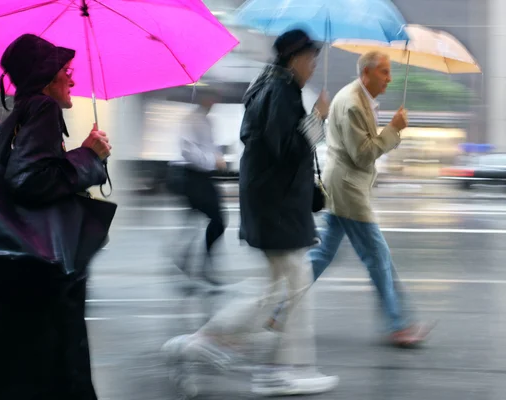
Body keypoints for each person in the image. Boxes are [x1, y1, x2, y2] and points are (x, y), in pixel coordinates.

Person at [162, 29, 338, 396]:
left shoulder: (268, 87)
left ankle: (219, 350)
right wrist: (318, 118)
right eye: (311, 59)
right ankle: (281, 369)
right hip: (276, 206)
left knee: (278, 290)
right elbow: (285, 150)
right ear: (295, 59)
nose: (314, 66)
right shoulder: (280, 92)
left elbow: (281, 148)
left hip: (272, 205)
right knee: (293, 283)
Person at [0, 34, 111, 400]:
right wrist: (89, 156)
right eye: (67, 71)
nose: (73, 80)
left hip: (4, 283)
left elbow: (20, 181)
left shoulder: (12, 121)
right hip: (35, 288)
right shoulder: (43, 110)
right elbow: (31, 181)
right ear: (48, 77)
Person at [307, 51, 434, 347]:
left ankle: (278, 309)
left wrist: (388, 128)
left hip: (344, 187)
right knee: (378, 256)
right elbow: (363, 154)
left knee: (322, 255)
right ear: (367, 73)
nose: (389, 78)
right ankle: (399, 325)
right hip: (348, 190)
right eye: (384, 72)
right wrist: (394, 129)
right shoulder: (353, 103)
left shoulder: (358, 98)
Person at [174, 90, 228, 286]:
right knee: (218, 220)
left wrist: (218, 157)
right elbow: (187, 150)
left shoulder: (207, 121)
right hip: (194, 177)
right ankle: (201, 263)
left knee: (197, 221)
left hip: (205, 177)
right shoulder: (191, 120)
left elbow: (211, 147)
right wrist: (212, 160)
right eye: (212, 97)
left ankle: (184, 259)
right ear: (202, 98)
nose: (215, 101)